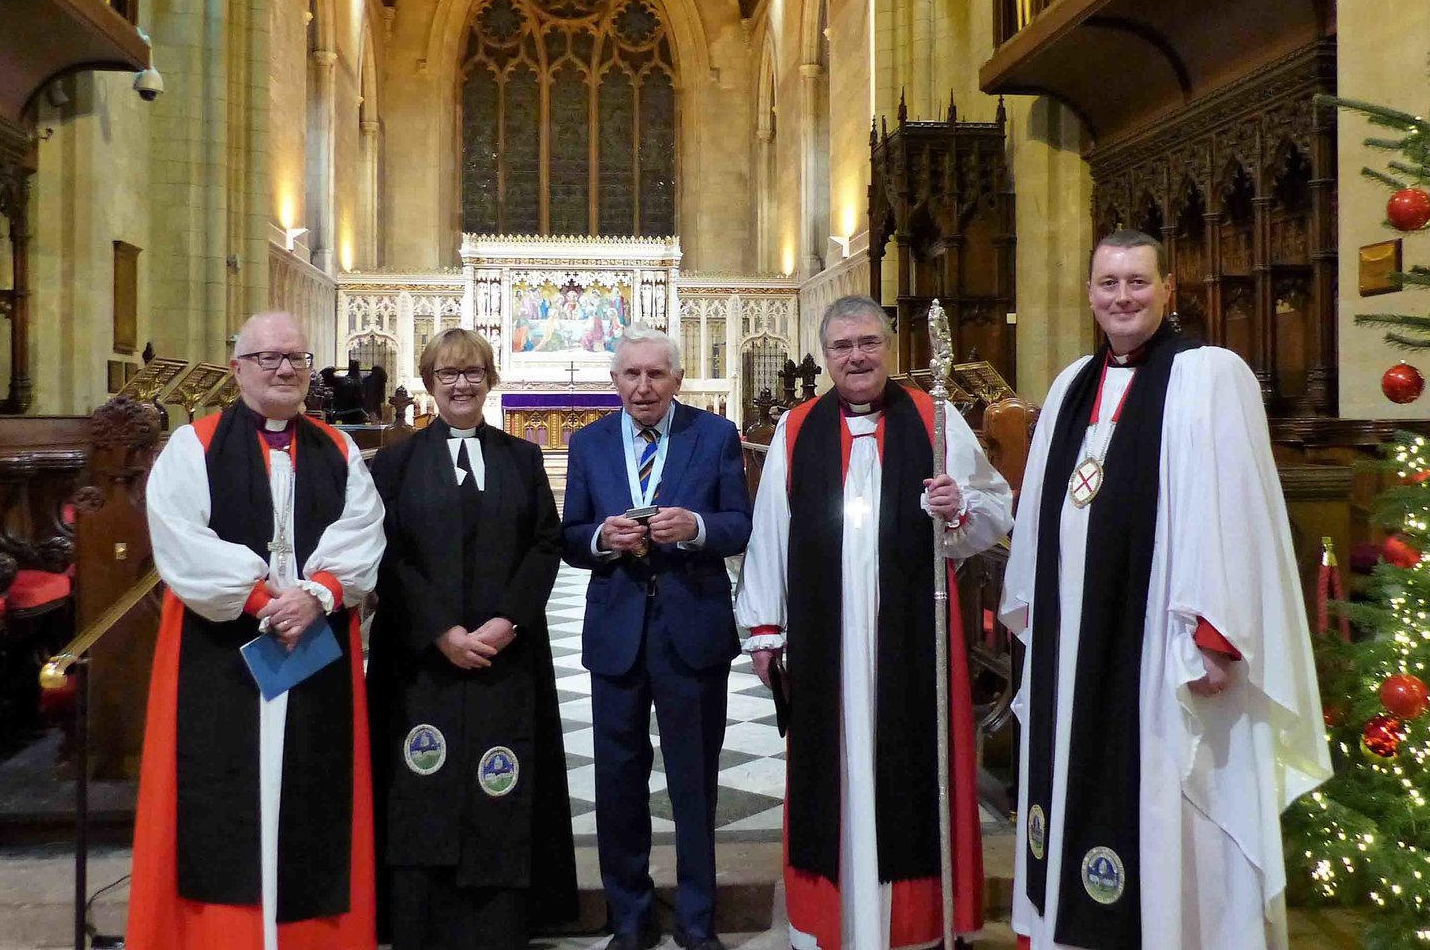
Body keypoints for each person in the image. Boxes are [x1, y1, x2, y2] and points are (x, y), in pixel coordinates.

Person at [1000, 230, 1331, 950]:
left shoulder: (1211, 375)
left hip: (1158, 645)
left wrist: (1216, 635)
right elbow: (1040, 515)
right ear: (1089, 294)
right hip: (1074, 644)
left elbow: (1235, 509)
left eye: (1138, 282)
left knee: (1164, 801)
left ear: (1168, 288)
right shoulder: (1067, 387)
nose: (1123, 297)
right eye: (1109, 283)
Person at [736, 294, 1014, 950]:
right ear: (826, 355)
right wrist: (764, 629)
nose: (856, 356)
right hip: (826, 637)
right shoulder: (798, 429)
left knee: (912, 768)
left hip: (913, 640)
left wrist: (959, 505)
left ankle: (914, 926)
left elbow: (995, 513)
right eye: (842, 346)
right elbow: (771, 531)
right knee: (829, 774)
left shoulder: (934, 416)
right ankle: (834, 924)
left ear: (887, 347)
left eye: (867, 343)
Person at [127, 311, 386, 950]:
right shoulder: (194, 445)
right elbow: (180, 539)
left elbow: (362, 531)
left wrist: (319, 595)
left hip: (315, 643)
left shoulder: (339, 448)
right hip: (220, 647)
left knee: (316, 797)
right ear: (238, 368)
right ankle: (224, 937)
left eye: (295, 358)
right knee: (217, 798)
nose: (284, 369)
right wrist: (264, 600)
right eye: (268, 358)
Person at [366, 328, 577, 950]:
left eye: (473, 373)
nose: (461, 384)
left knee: (499, 781)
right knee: (422, 784)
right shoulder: (396, 463)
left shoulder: (521, 457)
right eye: (448, 374)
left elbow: (546, 544)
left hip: (505, 659)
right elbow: (388, 553)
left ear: (490, 380)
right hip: (421, 662)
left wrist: (506, 621)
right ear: (429, 382)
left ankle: (500, 924)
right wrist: (441, 631)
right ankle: (419, 922)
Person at [561, 325, 752, 950]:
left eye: (656, 374)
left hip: (691, 627)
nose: (643, 387)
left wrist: (693, 526)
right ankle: (631, 920)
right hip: (617, 630)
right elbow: (569, 536)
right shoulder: (587, 443)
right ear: (613, 380)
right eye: (631, 375)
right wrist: (600, 539)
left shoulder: (715, 435)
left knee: (694, 781)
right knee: (618, 781)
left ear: (677, 378)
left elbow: (739, 524)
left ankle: (697, 922)